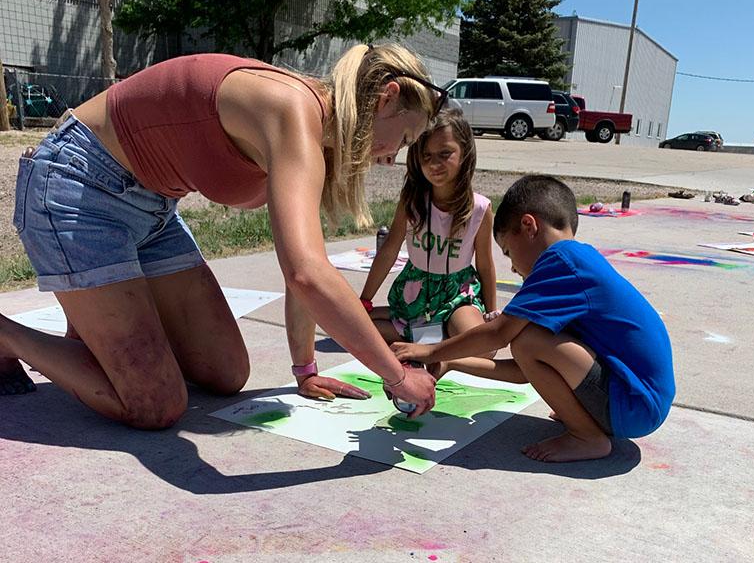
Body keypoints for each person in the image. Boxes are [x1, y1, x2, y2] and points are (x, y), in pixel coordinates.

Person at [0, 43, 444, 425]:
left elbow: (308, 267)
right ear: (387, 98)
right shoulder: (291, 108)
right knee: (155, 404)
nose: (392, 158)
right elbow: (307, 274)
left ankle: (95, 331)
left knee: (226, 372)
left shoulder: (316, 137)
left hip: (152, 210)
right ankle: (7, 335)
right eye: (403, 139)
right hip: (78, 189)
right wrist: (398, 375)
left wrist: (305, 369)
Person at [391, 175, 675, 462]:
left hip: (634, 403)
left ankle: (587, 436)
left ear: (528, 226)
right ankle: (585, 420)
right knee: (529, 342)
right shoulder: (577, 261)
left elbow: (498, 335)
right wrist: (450, 362)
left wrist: (429, 349)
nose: (513, 268)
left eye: (508, 252)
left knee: (526, 340)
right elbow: (523, 371)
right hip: (636, 402)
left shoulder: (561, 262)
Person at [358, 107, 497, 355]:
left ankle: (429, 334)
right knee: (355, 326)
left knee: (485, 350)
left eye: (445, 154)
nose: (435, 164)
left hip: (458, 293)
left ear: (465, 153)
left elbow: (485, 264)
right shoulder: (411, 201)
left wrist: (491, 314)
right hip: (417, 290)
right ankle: (431, 333)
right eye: (426, 155)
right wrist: (365, 300)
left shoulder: (480, 208)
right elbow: (389, 249)